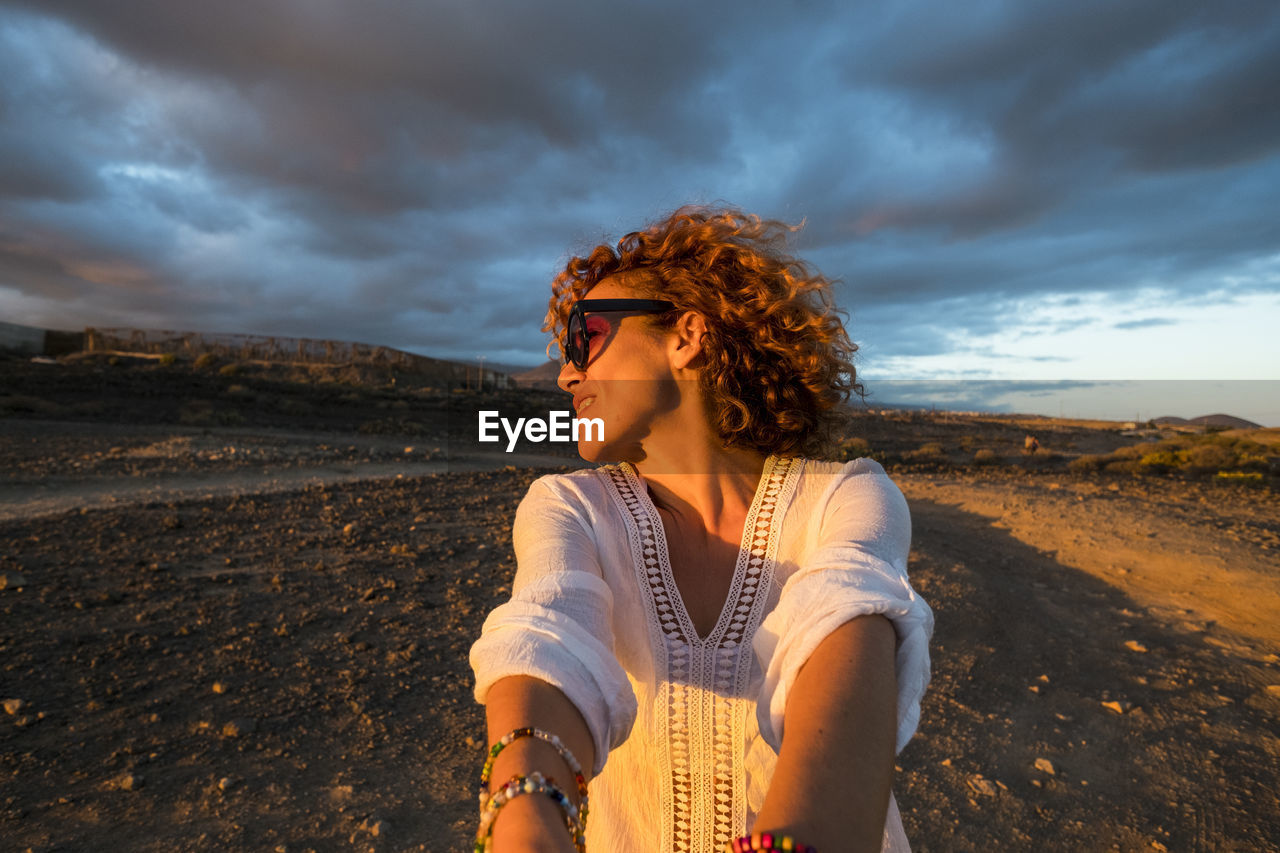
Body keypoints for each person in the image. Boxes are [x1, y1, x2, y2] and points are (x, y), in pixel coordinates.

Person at [470, 206, 933, 853]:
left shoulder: (844, 495)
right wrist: (526, 820)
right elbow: (549, 639)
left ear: (686, 335)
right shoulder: (570, 507)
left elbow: (846, 631)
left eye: (587, 338)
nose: (566, 374)